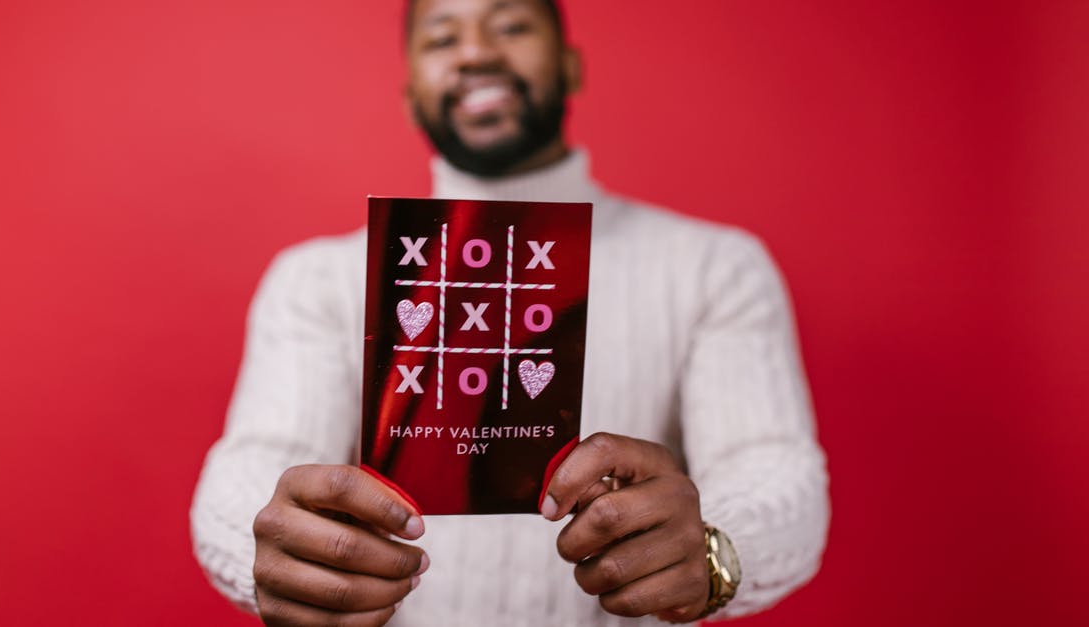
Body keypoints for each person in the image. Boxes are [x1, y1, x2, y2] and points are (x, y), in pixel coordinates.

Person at [191, 0, 830, 624]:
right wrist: (269, 548)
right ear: (411, 92)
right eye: (443, 38)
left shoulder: (716, 267)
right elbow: (256, 465)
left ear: (573, 66)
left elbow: (771, 466)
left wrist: (718, 549)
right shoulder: (317, 279)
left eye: (512, 25)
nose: (476, 52)